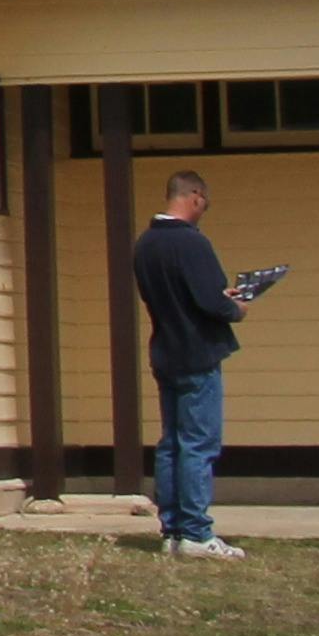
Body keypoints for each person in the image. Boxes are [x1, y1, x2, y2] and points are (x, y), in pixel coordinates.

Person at [131, 167, 251, 560]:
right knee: (199, 444)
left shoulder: (145, 244)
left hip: (165, 349)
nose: (205, 210)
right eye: (205, 202)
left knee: (171, 444)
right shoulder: (192, 244)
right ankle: (198, 533)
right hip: (198, 352)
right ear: (194, 196)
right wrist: (236, 306)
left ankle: (173, 530)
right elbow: (211, 301)